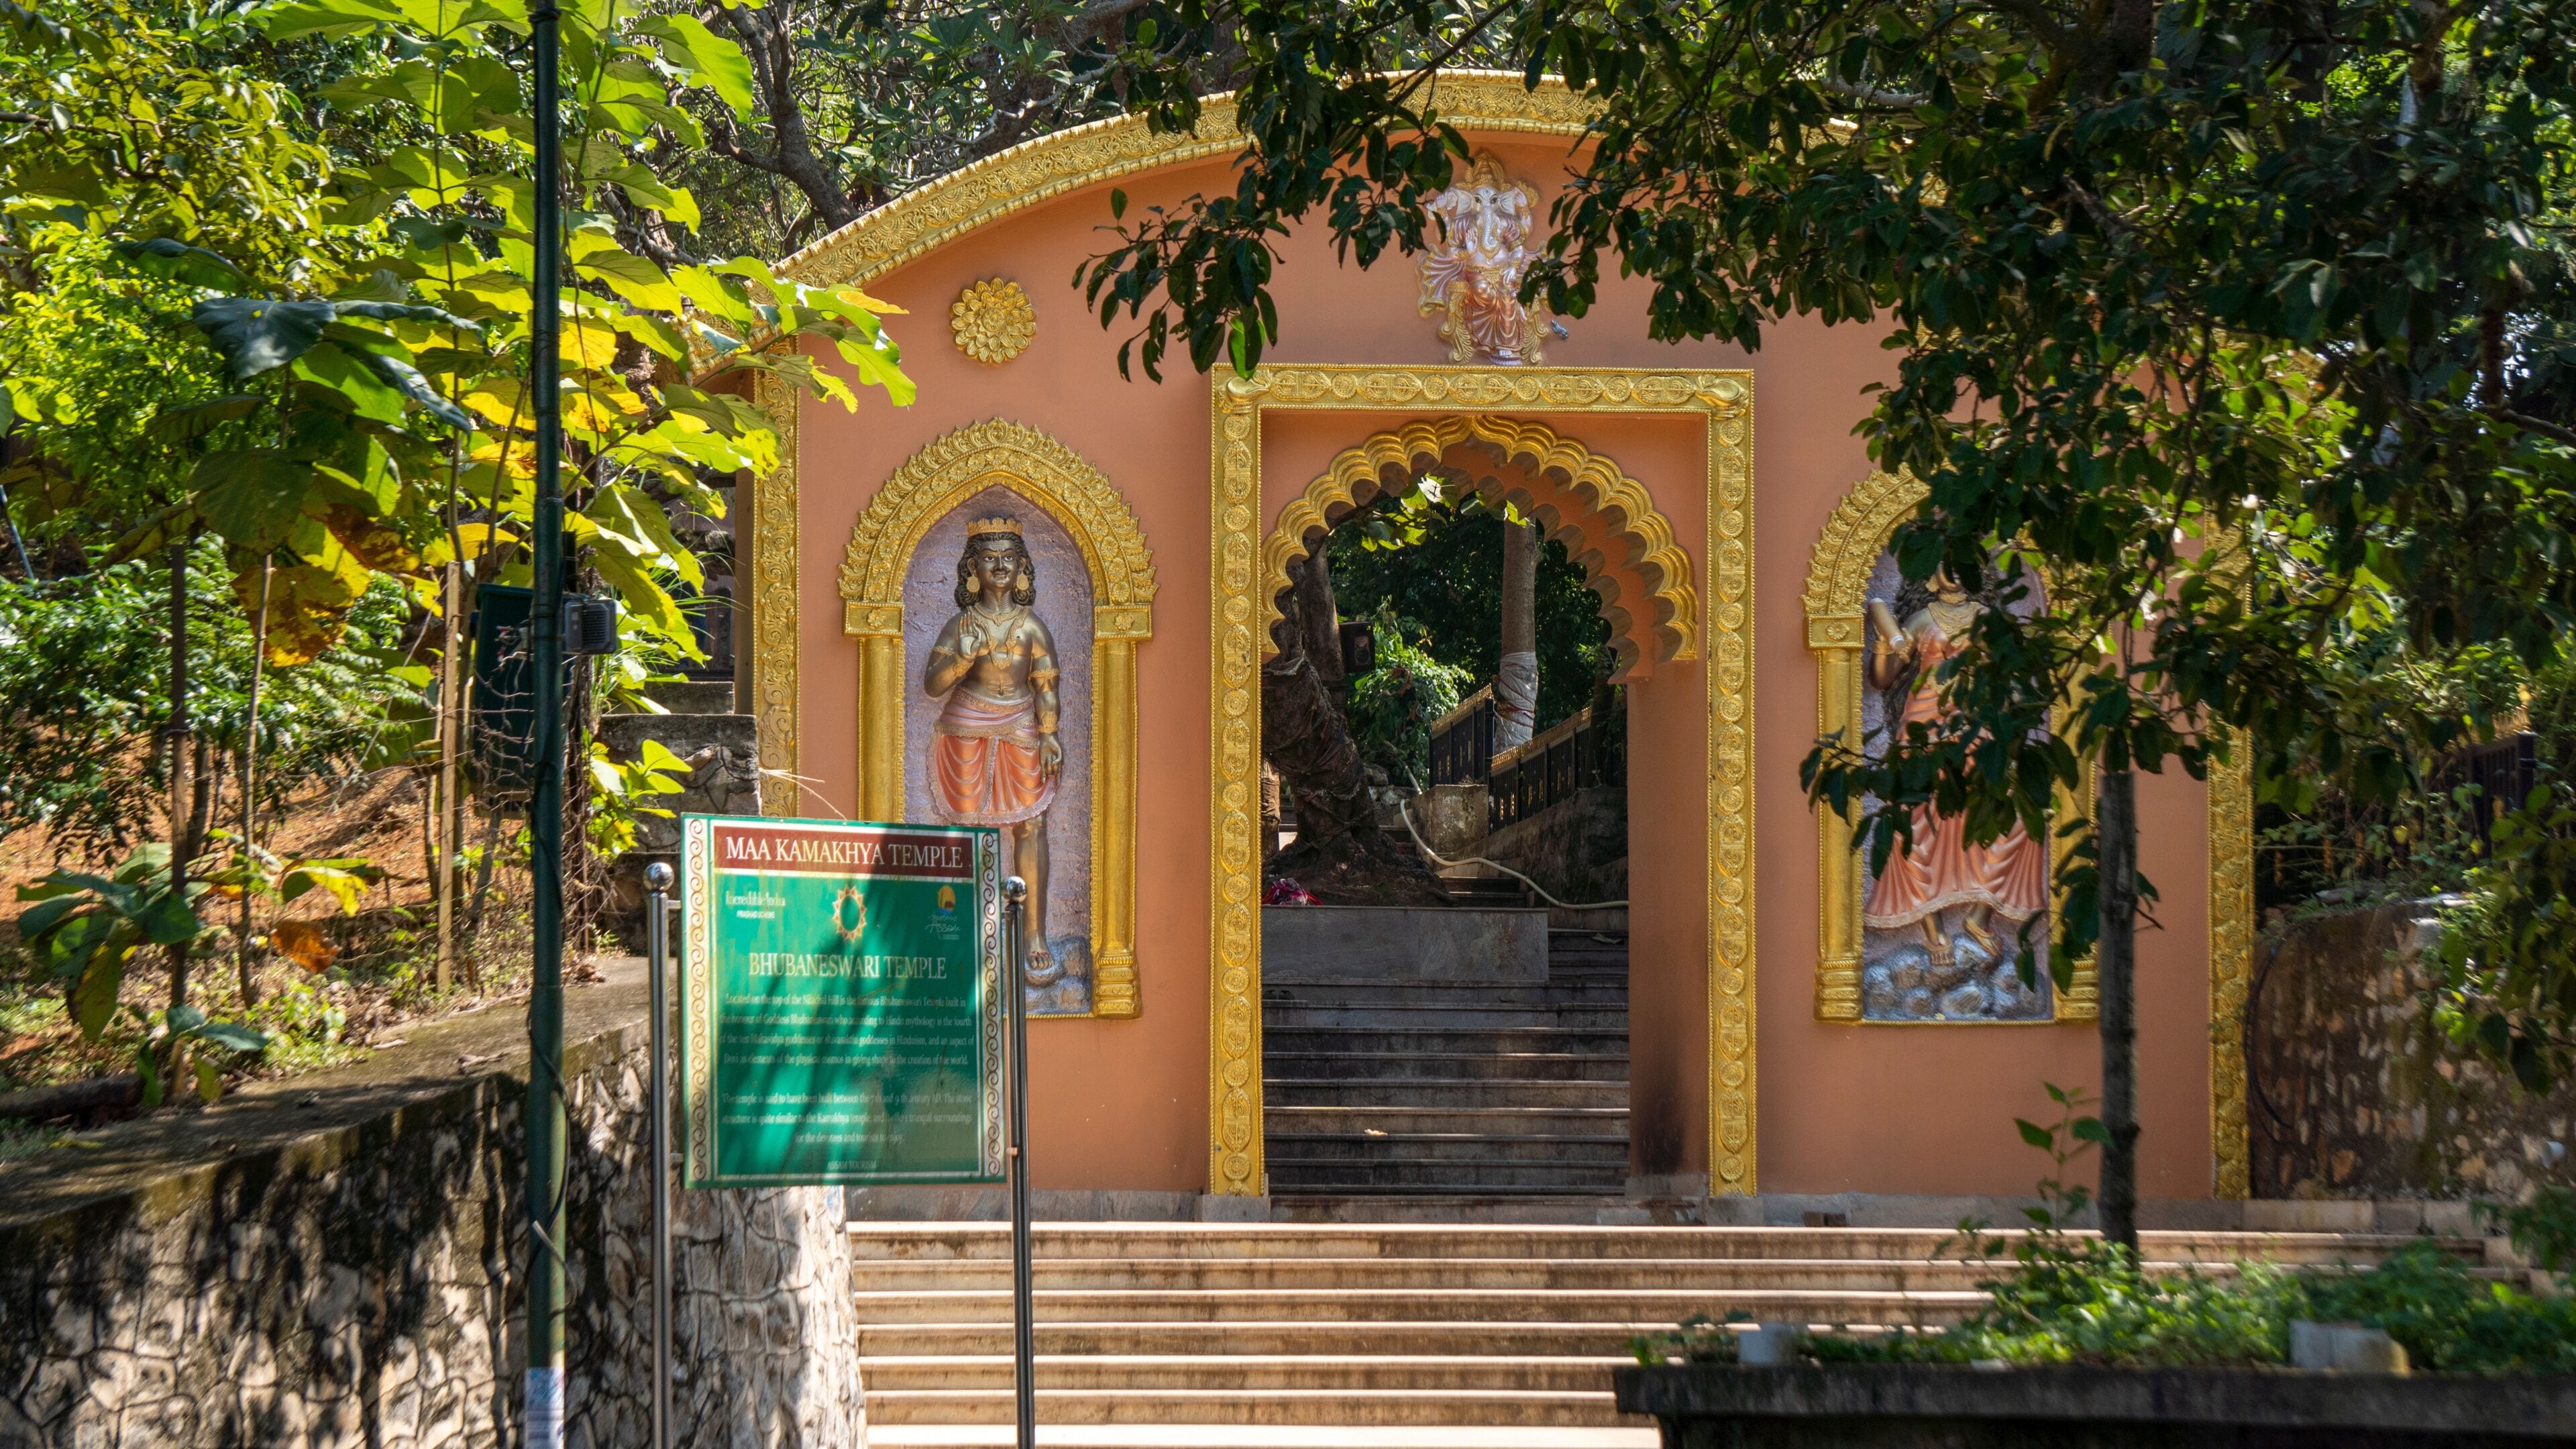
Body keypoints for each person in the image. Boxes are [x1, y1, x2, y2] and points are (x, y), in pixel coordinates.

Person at [1862, 568, 2048, 967]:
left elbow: (2009, 673)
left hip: (1978, 727)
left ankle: (1981, 917)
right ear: (1931, 573)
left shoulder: (1986, 618)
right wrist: (1883, 647)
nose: (1954, 570)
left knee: (2016, 818)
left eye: (1962, 560)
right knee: (1909, 825)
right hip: (1924, 727)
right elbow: (1883, 680)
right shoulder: (1922, 619)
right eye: (1946, 561)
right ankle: (1932, 930)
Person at [923, 517, 1065, 983]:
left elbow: (1045, 684)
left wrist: (1048, 734)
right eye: (989, 558)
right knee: (968, 827)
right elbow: (932, 685)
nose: (1000, 566)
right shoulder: (961, 624)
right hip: (968, 724)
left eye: (1008, 558)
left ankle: (1034, 936)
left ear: (1022, 567)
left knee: (1032, 823)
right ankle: (968, 931)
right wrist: (962, 658)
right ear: (973, 569)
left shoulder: (1033, 627)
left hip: (1022, 724)